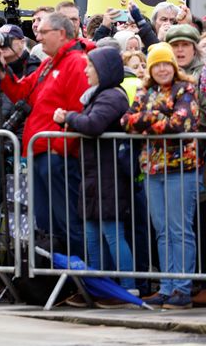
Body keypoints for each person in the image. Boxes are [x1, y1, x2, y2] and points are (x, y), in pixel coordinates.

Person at [0, 12, 94, 259]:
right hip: (41, 155)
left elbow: (78, 111)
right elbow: (22, 92)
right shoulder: (50, 63)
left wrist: (59, 149)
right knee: (47, 224)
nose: (37, 37)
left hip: (55, 158)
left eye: (43, 32)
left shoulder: (75, 63)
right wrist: (1, 70)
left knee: (66, 221)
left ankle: (82, 281)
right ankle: (63, 280)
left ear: (61, 34)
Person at [53, 47, 135, 307]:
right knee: (92, 235)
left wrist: (69, 116)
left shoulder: (111, 97)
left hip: (108, 174)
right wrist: (71, 119)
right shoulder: (96, 96)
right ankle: (99, 288)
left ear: (104, 69)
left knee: (112, 234)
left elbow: (93, 125)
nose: (86, 71)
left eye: (90, 66)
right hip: (94, 174)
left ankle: (128, 288)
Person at [122, 42, 199, 309]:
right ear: (151, 69)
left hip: (182, 168)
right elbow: (127, 121)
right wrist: (157, 116)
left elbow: (181, 123)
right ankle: (166, 287)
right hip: (153, 168)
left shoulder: (185, 89)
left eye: (167, 63)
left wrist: (148, 118)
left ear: (174, 67)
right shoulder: (145, 90)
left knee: (180, 230)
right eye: (157, 65)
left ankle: (182, 288)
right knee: (162, 231)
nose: (163, 68)